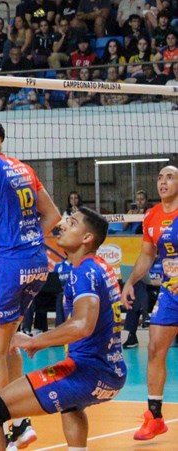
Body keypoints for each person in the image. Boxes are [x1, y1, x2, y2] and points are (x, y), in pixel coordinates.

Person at [0, 207, 125, 451]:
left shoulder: (84, 271)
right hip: (113, 374)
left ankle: (21, 427)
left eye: (72, 223)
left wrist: (35, 341)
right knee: (70, 404)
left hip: (87, 373)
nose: (63, 225)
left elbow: (82, 325)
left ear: (87, 238)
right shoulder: (101, 267)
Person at [0, 117, 62, 447]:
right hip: (36, 262)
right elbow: (53, 217)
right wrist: (30, 239)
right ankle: (22, 425)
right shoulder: (24, 169)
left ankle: (1, 427)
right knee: (8, 342)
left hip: (7, 264)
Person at [121, 164, 178, 441]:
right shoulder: (152, 216)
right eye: (159, 178)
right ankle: (154, 417)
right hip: (171, 291)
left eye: (170, 177)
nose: (163, 182)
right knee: (155, 347)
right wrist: (130, 282)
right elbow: (146, 255)